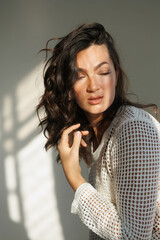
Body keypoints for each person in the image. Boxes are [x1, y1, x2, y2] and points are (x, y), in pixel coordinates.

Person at [37, 23, 160, 239]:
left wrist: (75, 177)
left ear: (116, 75)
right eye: (80, 75)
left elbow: (133, 237)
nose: (94, 86)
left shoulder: (133, 129)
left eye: (103, 72)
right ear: (68, 85)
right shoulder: (98, 133)